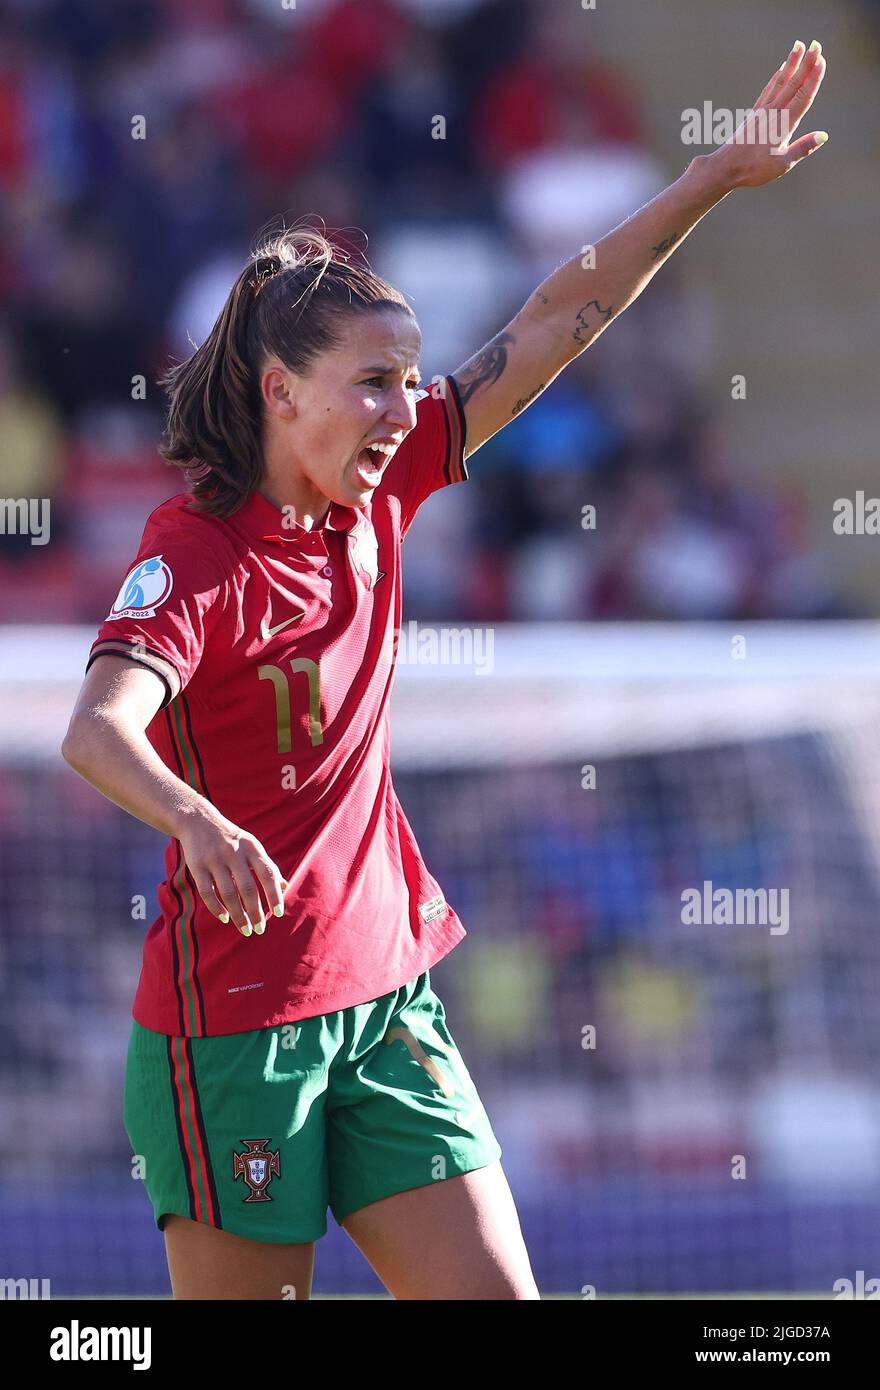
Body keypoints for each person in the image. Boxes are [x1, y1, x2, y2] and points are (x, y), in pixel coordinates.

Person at [62, 40, 828, 1300]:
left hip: (387, 1000)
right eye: (371, 385)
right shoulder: (193, 554)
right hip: (235, 1033)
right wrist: (197, 820)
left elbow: (547, 324)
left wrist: (700, 184)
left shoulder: (388, 482)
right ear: (276, 391)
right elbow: (98, 730)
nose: (400, 410)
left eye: (409, 384)